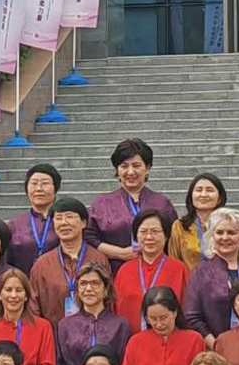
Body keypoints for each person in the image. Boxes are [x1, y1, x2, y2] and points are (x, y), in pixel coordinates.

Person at [85, 138, 177, 275]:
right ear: (117, 169)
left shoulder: (162, 203)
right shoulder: (102, 203)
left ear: (147, 168)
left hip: (158, 273)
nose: (130, 172)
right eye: (124, 166)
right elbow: (89, 238)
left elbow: (174, 238)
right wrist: (120, 253)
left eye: (136, 165)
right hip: (115, 273)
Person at [186, 208, 239, 348]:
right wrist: (217, 346)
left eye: (231, 232)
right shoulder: (201, 272)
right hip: (214, 350)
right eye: (219, 232)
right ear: (212, 237)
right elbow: (192, 316)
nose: (225, 237)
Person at [56, 264, 132, 365]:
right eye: (83, 284)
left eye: (95, 283)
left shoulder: (120, 324)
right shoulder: (65, 325)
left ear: (105, 290)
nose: (89, 289)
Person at [28, 197, 110, 323]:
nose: (64, 223)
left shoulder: (99, 259)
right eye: (58, 218)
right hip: (54, 335)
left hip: (94, 336)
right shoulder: (42, 265)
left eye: (69, 217)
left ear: (83, 223)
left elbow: (109, 301)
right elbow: (33, 308)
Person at [114, 210, 191, 335]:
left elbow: (187, 309)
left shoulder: (179, 269)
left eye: (155, 231)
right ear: (136, 236)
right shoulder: (125, 270)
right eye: (143, 232)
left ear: (166, 235)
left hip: (170, 340)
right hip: (131, 342)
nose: (149, 237)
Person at [169, 173, 226, 279]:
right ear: (191, 196)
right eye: (199, 190)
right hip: (190, 287)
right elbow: (174, 261)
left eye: (209, 190)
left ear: (219, 198)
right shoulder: (180, 226)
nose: (203, 194)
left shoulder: (228, 226)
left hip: (223, 285)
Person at [8, 164, 60, 275]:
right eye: (34, 183)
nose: (39, 189)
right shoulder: (14, 225)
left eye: (45, 183)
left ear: (56, 188)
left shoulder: (65, 221)